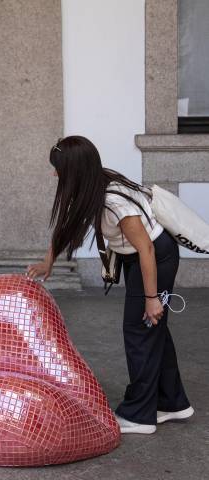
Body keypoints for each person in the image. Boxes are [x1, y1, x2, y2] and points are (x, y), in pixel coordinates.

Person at [26, 135, 193, 435]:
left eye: (58, 168)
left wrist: (152, 297)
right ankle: (172, 402)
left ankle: (141, 415)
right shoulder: (90, 187)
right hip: (138, 258)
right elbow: (66, 224)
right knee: (152, 330)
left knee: (140, 329)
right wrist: (48, 261)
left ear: (73, 169)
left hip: (156, 257)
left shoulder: (113, 201)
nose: (54, 174)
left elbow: (147, 250)